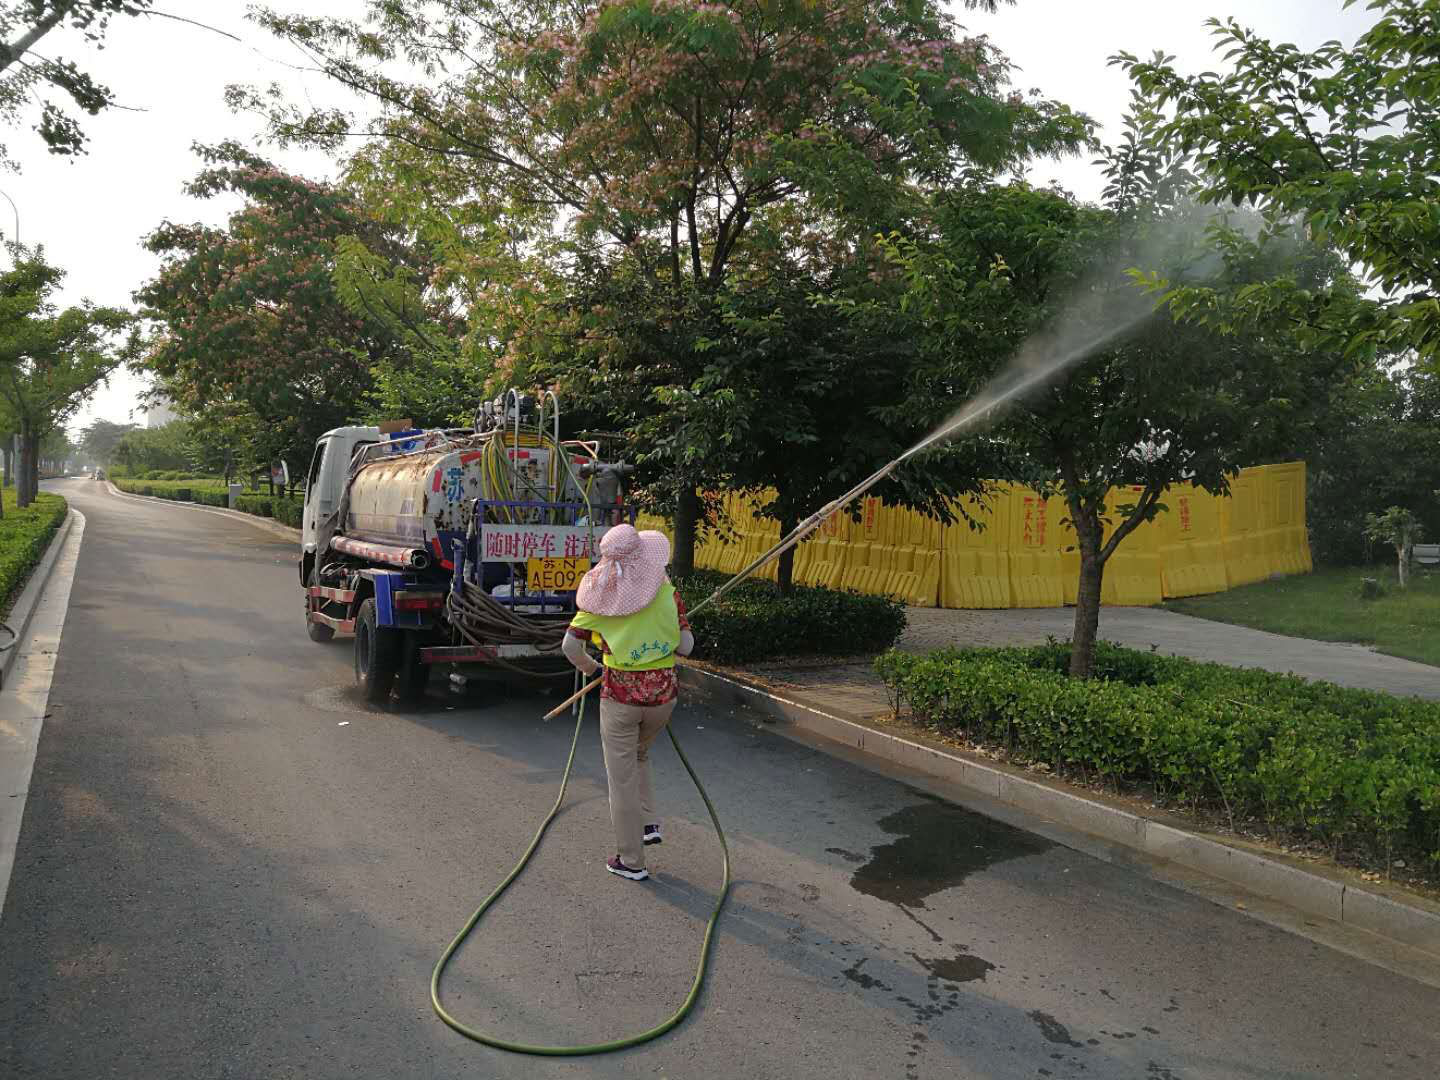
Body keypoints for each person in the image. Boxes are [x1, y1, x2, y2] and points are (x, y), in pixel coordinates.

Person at [562, 524, 694, 881]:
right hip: (663, 699)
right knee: (640, 754)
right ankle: (648, 823)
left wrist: (592, 669)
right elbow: (686, 646)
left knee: (621, 779)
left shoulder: (598, 601)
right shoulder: (667, 592)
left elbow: (570, 646)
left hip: (620, 699)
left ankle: (631, 860)